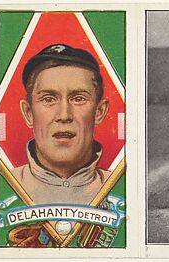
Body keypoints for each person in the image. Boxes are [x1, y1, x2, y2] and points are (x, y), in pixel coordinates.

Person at [12, 44, 110, 205]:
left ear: (99, 111)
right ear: (28, 113)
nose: (64, 115)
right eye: (48, 99)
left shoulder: (121, 185)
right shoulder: (3, 185)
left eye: (78, 98)